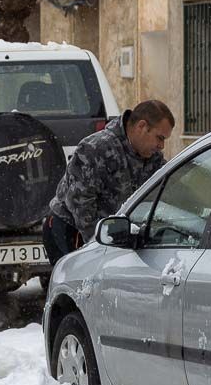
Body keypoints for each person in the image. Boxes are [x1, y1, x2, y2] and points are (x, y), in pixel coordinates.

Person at [43, 99, 175, 266]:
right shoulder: (96, 148)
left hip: (111, 236)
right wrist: (100, 249)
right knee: (79, 288)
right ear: (142, 127)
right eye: (160, 138)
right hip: (71, 230)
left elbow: (169, 187)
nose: (162, 146)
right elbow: (81, 205)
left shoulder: (152, 157)